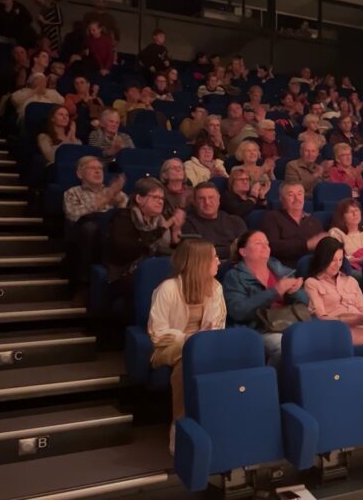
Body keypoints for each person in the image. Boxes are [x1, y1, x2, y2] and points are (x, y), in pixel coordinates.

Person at [148, 238, 225, 454]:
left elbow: (217, 326)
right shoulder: (167, 289)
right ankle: (179, 427)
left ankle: (220, 426)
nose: (219, 261)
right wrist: (191, 339)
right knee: (188, 360)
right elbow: (157, 333)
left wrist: (201, 339)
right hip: (170, 348)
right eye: (214, 257)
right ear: (199, 262)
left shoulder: (216, 288)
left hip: (204, 346)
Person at [223, 230, 309, 363]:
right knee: (286, 347)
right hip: (260, 328)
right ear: (243, 252)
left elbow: (305, 302)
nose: (265, 247)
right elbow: (238, 311)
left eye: (267, 243)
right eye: (258, 243)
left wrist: (294, 291)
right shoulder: (234, 276)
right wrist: (275, 291)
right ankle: (280, 383)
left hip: (290, 323)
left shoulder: (280, 269)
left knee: (319, 340)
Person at [105, 178, 185, 309]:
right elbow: (127, 249)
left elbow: (169, 247)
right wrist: (163, 229)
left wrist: (175, 228)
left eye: (162, 198)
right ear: (139, 199)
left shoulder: (159, 221)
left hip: (153, 266)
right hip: (125, 270)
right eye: (155, 197)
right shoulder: (123, 218)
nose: (160, 201)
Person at [63, 156, 128, 302]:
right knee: (90, 228)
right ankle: (84, 284)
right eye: (93, 168)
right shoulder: (72, 192)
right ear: (80, 174)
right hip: (85, 233)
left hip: (112, 232)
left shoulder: (115, 193)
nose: (98, 172)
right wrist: (105, 199)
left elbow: (128, 214)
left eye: (100, 169)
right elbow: (73, 215)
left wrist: (118, 199)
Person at [304, 237, 363, 346]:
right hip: (340, 331)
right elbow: (321, 318)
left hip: (362, 325)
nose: (338, 264)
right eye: (333, 260)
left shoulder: (350, 280)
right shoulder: (312, 283)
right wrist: (354, 320)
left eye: (340, 260)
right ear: (323, 259)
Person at [260, 182, 325, 267]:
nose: (297, 199)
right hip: (285, 269)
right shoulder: (272, 217)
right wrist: (306, 245)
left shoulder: (314, 221)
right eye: (291, 195)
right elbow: (272, 246)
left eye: (300, 194)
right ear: (281, 198)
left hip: (313, 268)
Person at [183, 182, 247, 261]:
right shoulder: (188, 224)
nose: (207, 202)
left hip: (236, 264)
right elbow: (198, 253)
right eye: (201, 198)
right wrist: (230, 249)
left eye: (211, 197)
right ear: (195, 202)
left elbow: (246, 248)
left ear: (219, 199)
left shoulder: (236, 221)